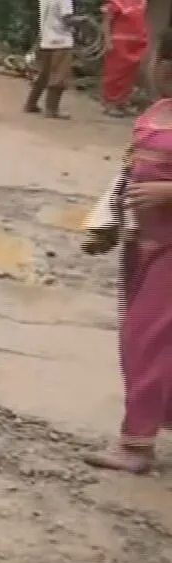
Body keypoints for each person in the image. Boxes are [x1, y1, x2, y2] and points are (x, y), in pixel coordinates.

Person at [86, 35, 172, 474]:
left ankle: (136, 445)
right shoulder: (155, 114)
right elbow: (128, 172)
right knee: (146, 340)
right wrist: (107, 217)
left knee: (147, 340)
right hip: (145, 246)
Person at [24, 0, 83, 119]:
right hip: (61, 41)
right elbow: (67, 19)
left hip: (46, 39)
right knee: (59, 77)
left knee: (44, 75)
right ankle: (52, 109)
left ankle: (31, 103)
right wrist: (83, 20)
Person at [102, 0, 149, 117]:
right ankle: (110, 103)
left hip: (137, 43)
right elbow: (106, 23)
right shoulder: (114, 1)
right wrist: (107, 41)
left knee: (130, 75)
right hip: (120, 42)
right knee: (115, 74)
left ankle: (123, 102)